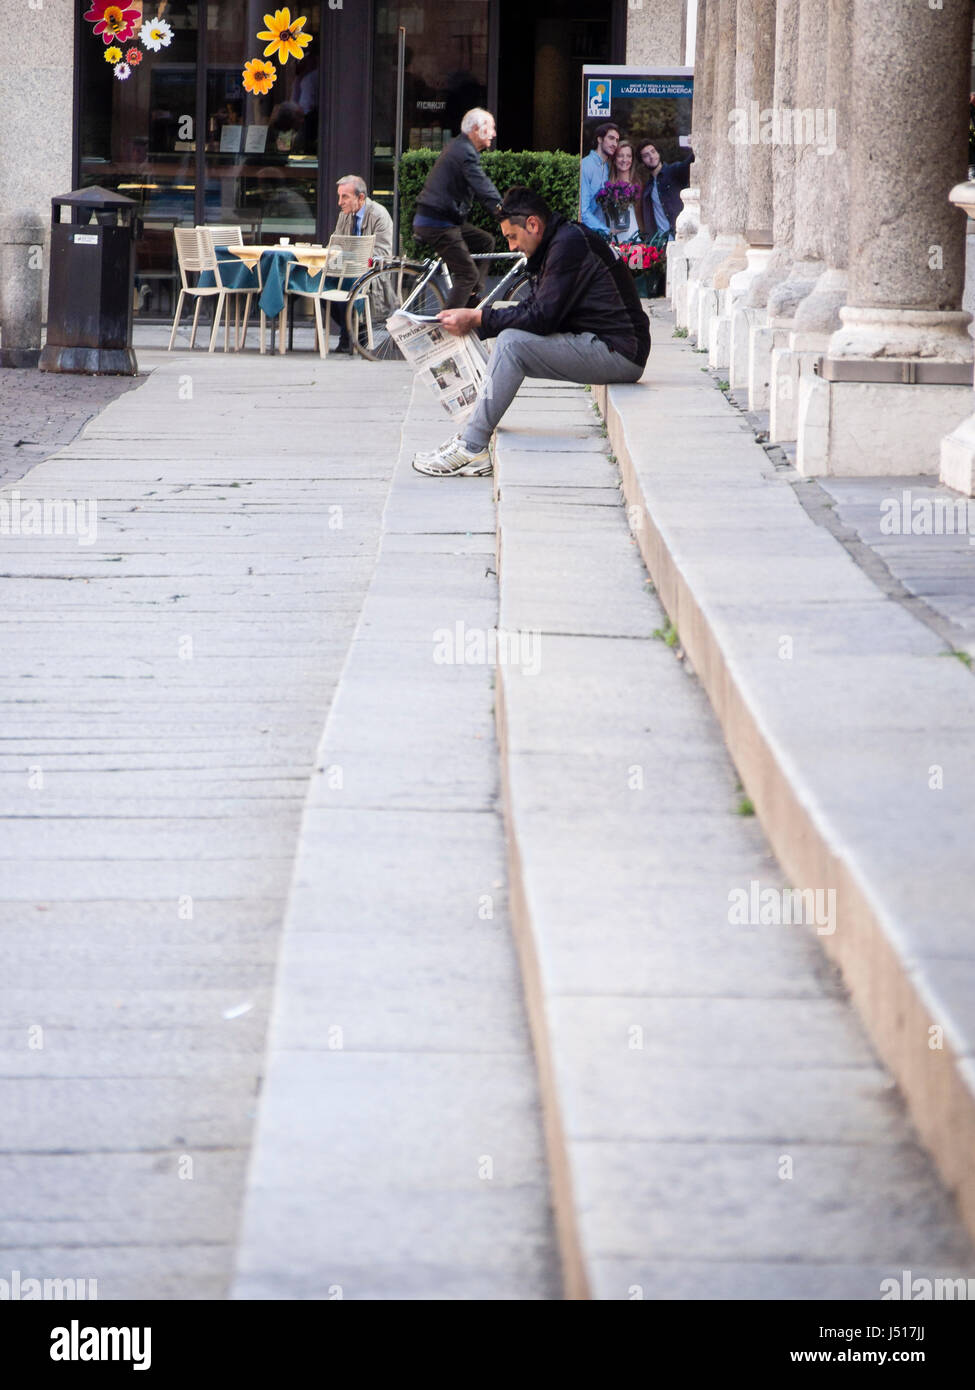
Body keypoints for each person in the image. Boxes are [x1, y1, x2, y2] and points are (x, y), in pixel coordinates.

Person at [412, 186, 650, 478]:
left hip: (620, 352)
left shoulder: (568, 244)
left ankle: (471, 447)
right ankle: (472, 435)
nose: (512, 247)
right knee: (507, 338)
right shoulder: (558, 243)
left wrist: (478, 318)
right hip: (600, 342)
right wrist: (480, 324)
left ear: (533, 225)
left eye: (512, 237)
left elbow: (541, 318)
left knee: (511, 345)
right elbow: (535, 307)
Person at [412, 108, 503, 309]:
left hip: (441, 220)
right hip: (437, 223)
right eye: (491, 128)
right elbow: (482, 185)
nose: (494, 134)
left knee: (486, 242)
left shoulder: (461, 148)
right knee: (467, 274)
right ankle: (446, 331)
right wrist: (503, 211)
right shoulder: (464, 152)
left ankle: (470, 299)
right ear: (477, 129)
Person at [333, 175, 394, 352]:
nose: (339, 202)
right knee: (320, 286)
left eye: (345, 197)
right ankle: (357, 331)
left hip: (371, 273)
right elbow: (336, 247)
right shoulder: (343, 216)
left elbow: (382, 254)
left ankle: (347, 338)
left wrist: (354, 259)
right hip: (345, 270)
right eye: (339, 196)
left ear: (360, 197)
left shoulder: (379, 215)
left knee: (349, 284)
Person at [637, 140, 694, 242]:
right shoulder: (647, 188)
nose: (651, 156)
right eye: (646, 155)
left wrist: (695, 145)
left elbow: (690, 162)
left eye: (653, 151)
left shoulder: (673, 171)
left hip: (680, 237)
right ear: (642, 161)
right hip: (661, 243)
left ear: (658, 153)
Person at [579, 121, 620, 235]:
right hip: (586, 232)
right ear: (600, 139)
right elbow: (583, 211)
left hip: (601, 233)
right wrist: (606, 231)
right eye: (611, 138)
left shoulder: (607, 167)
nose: (614, 144)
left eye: (617, 140)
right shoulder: (586, 165)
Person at [609, 139, 643, 242]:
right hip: (613, 239)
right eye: (620, 156)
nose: (625, 160)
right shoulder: (608, 185)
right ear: (614, 160)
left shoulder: (638, 184)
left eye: (628, 156)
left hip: (634, 238)